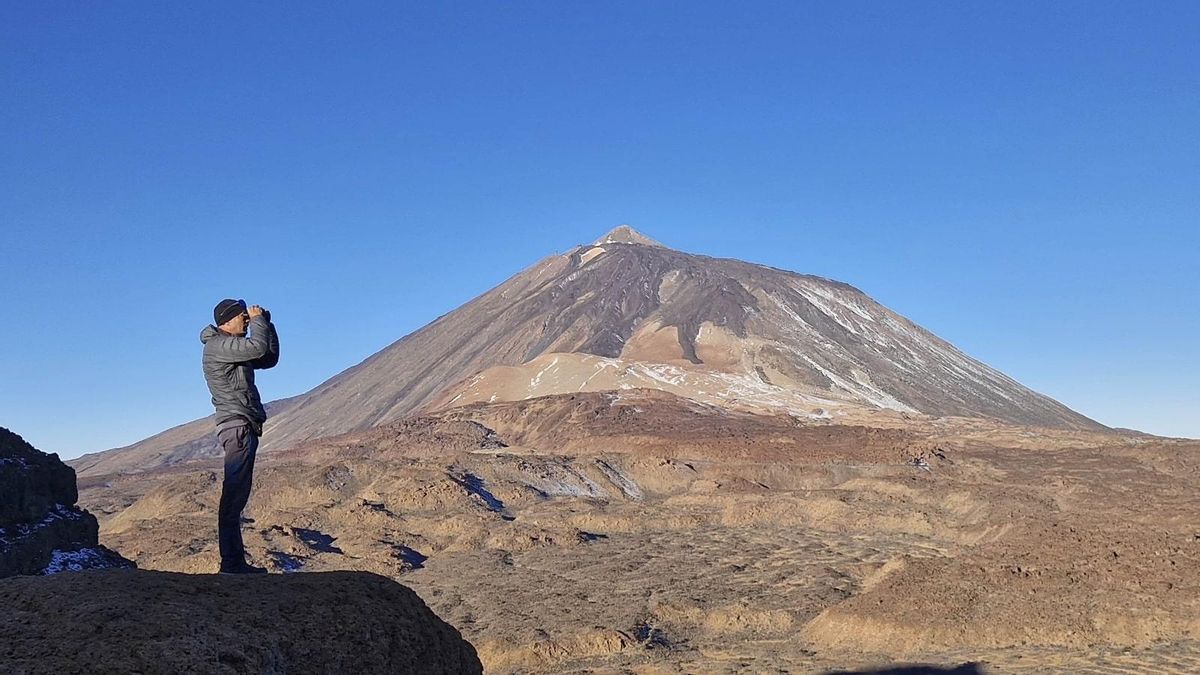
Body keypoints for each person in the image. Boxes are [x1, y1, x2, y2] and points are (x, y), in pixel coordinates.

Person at [200, 298, 280, 574]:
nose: (246, 320)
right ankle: (231, 564)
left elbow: (267, 358)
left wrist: (266, 324)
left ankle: (233, 563)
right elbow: (257, 346)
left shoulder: (231, 348)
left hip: (241, 424)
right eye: (242, 317)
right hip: (237, 425)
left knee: (236, 494)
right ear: (226, 320)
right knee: (233, 496)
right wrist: (258, 323)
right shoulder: (218, 346)